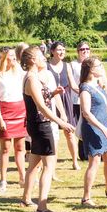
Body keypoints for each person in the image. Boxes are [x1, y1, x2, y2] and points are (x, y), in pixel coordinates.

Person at [19, 47, 75, 212]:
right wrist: (61, 123)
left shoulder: (32, 78)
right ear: (32, 61)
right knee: (48, 167)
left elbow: (39, 100)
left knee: (34, 163)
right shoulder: (32, 79)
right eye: (40, 56)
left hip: (36, 125)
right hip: (41, 126)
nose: (44, 58)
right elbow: (41, 107)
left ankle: (26, 199)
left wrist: (52, 93)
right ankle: (42, 207)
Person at [79, 57, 107, 206]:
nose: (101, 67)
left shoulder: (98, 86)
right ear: (91, 69)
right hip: (93, 128)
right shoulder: (85, 88)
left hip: (103, 126)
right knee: (95, 161)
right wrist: (103, 128)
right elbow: (87, 113)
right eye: (99, 65)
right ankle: (86, 197)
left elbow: (103, 111)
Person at [0, 46, 27, 192]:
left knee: (20, 147)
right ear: (3, 57)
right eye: (10, 56)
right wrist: (0, 117)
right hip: (5, 111)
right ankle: (3, 180)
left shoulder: (19, 72)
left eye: (14, 55)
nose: (13, 58)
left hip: (20, 110)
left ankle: (23, 177)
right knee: (5, 148)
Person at [47, 41, 80, 170]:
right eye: (59, 50)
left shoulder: (67, 66)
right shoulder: (46, 66)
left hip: (66, 100)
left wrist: (84, 92)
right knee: (52, 134)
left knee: (69, 132)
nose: (62, 52)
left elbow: (72, 84)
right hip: (51, 100)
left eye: (63, 50)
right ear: (52, 51)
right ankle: (50, 164)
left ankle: (74, 161)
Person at [66, 41, 90, 161]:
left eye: (87, 49)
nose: (85, 51)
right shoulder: (72, 65)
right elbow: (72, 84)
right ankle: (82, 153)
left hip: (91, 100)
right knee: (79, 126)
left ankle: (88, 152)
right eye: (82, 49)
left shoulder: (93, 63)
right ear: (78, 51)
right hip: (77, 100)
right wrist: (84, 93)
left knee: (89, 125)